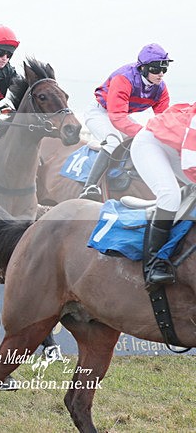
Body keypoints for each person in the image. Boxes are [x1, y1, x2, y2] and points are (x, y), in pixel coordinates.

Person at [80, 44, 171, 201]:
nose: (161, 74)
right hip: (100, 112)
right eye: (156, 69)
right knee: (113, 142)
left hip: (122, 114)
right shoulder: (124, 79)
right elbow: (117, 118)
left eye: (164, 69)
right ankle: (89, 187)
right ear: (143, 68)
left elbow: (163, 119)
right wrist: (147, 132)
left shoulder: (161, 88)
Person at [129, 102, 196, 285]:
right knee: (170, 196)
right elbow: (193, 167)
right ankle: (154, 263)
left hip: (174, 147)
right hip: (151, 144)